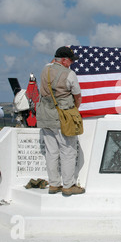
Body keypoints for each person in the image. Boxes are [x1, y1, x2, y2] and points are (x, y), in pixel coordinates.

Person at [36, 46, 85, 197]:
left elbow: (52, 62)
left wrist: (57, 57)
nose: (72, 63)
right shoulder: (69, 74)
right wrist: (74, 110)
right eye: (70, 60)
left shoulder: (46, 69)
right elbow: (77, 96)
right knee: (68, 151)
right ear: (64, 60)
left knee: (51, 152)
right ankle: (68, 186)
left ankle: (54, 184)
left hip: (45, 116)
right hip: (62, 117)